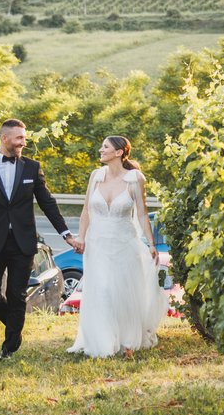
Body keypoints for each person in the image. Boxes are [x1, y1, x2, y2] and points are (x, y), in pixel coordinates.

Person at [0, 119, 79, 359]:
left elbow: (47, 202)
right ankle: (15, 326)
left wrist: (65, 233)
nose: (24, 142)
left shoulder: (31, 168)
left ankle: (10, 345)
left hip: (23, 242)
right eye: (19, 138)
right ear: (4, 139)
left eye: (24, 138)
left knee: (17, 294)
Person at [67, 137, 167, 357]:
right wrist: (81, 238)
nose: (100, 149)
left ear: (119, 152)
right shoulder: (96, 176)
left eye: (105, 147)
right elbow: (86, 210)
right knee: (101, 289)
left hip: (124, 243)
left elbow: (142, 214)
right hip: (97, 243)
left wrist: (151, 244)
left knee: (120, 290)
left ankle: (125, 338)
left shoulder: (134, 179)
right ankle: (101, 339)